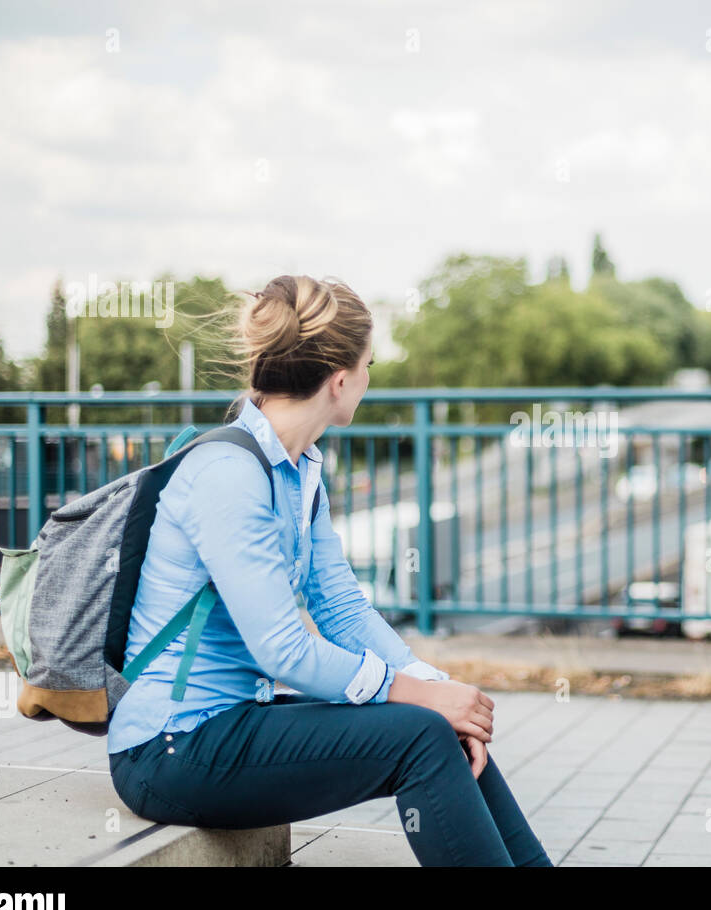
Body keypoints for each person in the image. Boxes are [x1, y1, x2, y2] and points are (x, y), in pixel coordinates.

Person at [107, 274, 552, 867]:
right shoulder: (228, 474)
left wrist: (435, 687)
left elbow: (340, 608)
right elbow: (283, 650)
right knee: (420, 737)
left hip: (230, 724)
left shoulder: (297, 470)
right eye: (369, 365)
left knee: (435, 723)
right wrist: (413, 694)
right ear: (340, 380)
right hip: (168, 750)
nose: (370, 379)